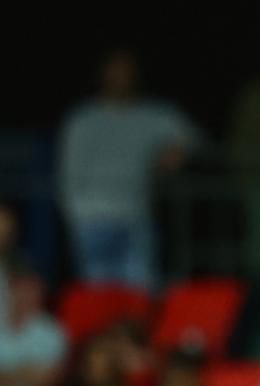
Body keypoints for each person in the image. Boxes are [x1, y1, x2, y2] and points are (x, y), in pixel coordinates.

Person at [57, 48, 198, 289]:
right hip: (92, 220)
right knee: (99, 295)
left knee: (139, 294)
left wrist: (178, 150)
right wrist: (75, 217)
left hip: (136, 217)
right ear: (103, 76)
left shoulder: (153, 115)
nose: (120, 78)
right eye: (115, 72)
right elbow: (68, 173)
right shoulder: (83, 119)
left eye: (126, 72)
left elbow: (193, 135)